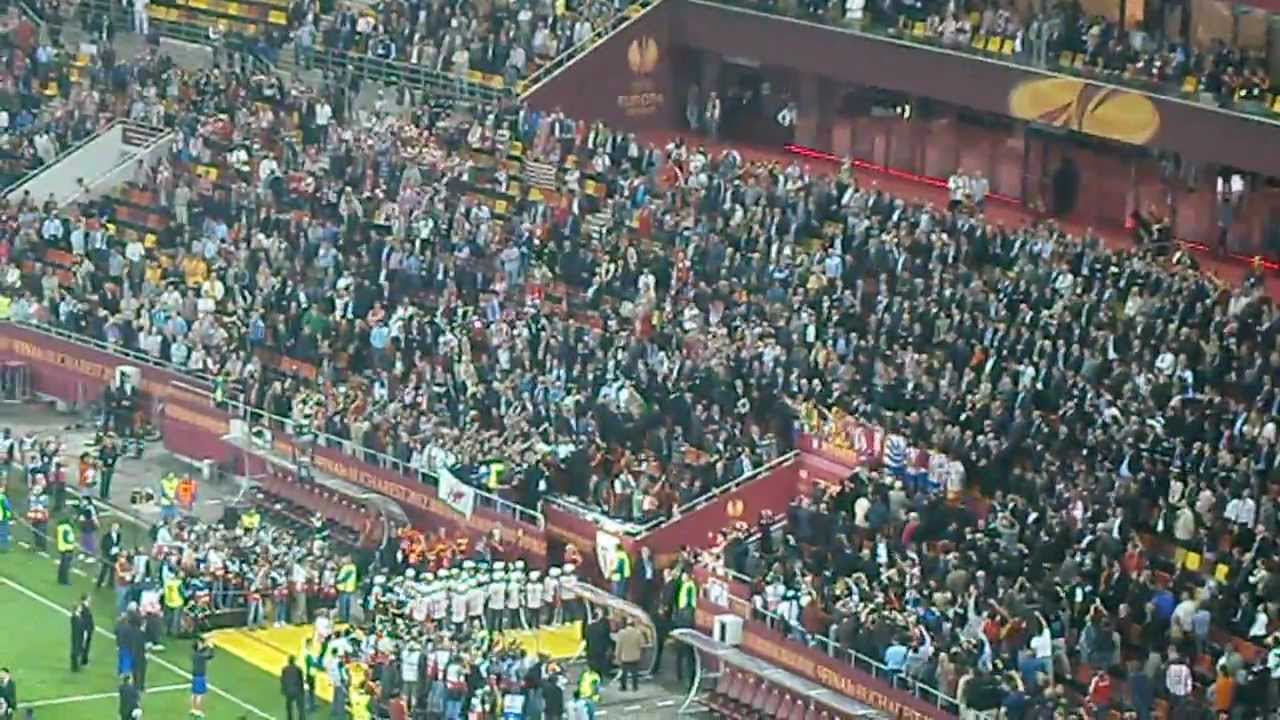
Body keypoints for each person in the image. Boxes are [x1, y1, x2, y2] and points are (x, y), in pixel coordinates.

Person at [613, 619, 645, 692]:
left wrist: (617, 656)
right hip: (635, 657)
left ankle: (623, 687)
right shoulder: (638, 633)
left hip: (624, 657)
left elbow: (619, 646)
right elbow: (642, 645)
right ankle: (635, 687)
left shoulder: (621, 633)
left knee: (624, 673)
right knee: (635, 673)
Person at [190, 636, 214, 716]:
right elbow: (210, 656)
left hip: (195, 676)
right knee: (200, 694)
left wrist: (207, 644)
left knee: (194, 694)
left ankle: (193, 709)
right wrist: (211, 648)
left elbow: (202, 649)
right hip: (200, 676)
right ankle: (198, 710)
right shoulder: (200, 656)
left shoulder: (195, 654)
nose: (201, 644)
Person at [96, 523, 122, 588]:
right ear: (111, 527)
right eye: (114, 527)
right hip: (107, 555)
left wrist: (117, 550)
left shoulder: (119, 535)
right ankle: (99, 583)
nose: (115, 528)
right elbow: (102, 545)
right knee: (104, 570)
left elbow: (117, 544)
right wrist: (109, 550)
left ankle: (110, 583)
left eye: (117, 527)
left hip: (114, 555)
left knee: (113, 570)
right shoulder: (106, 536)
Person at [71, 595, 94, 670]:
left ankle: (78, 664)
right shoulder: (76, 617)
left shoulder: (77, 616)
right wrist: (85, 632)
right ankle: (76, 665)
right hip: (80, 635)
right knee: (78, 649)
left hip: (82, 633)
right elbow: (82, 624)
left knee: (79, 648)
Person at [281, 655, 306, 720]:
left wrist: (283, 690)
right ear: (294, 661)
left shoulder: (284, 669)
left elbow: (283, 680)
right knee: (300, 708)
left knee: (289, 708)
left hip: (289, 691)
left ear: (288, 661)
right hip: (297, 691)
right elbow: (301, 681)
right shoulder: (298, 669)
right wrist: (302, 691)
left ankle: (290, 719)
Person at [54, 516, 76, 585]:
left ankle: (60, 579)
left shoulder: (60, 527)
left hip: (61, 547)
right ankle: (64, 581)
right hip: (67, 548)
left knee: (62, 565)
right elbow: (68, 539)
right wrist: (74, 543)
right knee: (65, 566)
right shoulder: (67, 528)